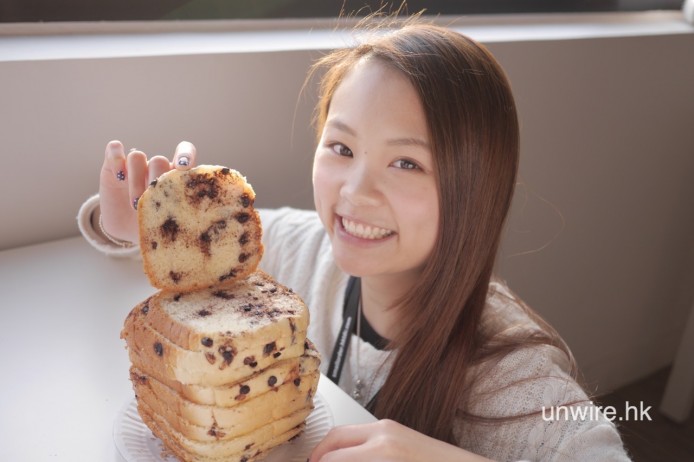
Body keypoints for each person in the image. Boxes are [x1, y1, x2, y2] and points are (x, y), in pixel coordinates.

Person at [78, 20, 631, 462]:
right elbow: (198, 259)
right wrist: (131, 227)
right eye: (341, 148)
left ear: (476, 192)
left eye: (407, 162)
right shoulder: (302, 251)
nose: (355, 191)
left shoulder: (509, 374)